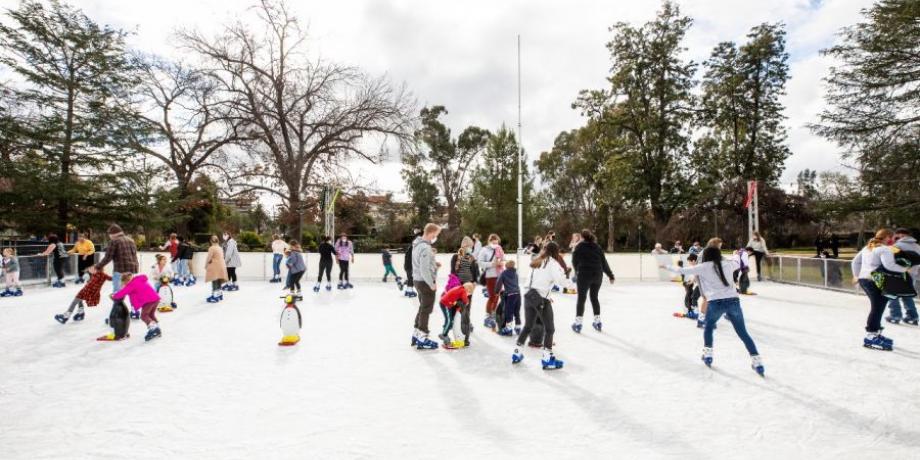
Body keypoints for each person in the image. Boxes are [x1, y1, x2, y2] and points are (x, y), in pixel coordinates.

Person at [663, 247, 765, 375]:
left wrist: (666, 265)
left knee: (709, 328)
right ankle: (758, 362)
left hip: (716, 303)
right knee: (743, 333)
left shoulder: (704, 266)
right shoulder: (727, 263)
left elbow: (682, 270)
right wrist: (740, 253)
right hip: (733, 302)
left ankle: (708, 355)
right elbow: (740, 260)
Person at [512, 242, 570, 370]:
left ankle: (517, 352)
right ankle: (547, 358)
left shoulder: (536, 260)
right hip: (540, 298)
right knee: (550, 329)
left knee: (528, 326)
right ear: (555, 252)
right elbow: (561, 280)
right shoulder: (553, 263)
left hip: (528, 295)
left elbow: (537, 280)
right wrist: (571, 284)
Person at [851, 229, 910, 350]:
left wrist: (857, 275)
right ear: (887, 237)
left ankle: (875, 332)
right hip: (875, 281)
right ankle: (871, 335)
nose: (893, 241)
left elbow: (855, 262)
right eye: (893, 238)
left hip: (865, 280)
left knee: (878, 307)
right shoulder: (884, 249)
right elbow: (890, 266)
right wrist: (905, 269)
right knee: (877, 307)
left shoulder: (868, 247)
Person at [571, 229, 615, 333]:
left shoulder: (579, 246)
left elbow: (574, 260)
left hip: (584, 275)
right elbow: (604, 263)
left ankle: (578, 324)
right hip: (597, 275)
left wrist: (577, 271)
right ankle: (598, 322)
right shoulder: (597, 247)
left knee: (581, 299)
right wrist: (610, 275)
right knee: (594, 297)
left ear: (582, 237)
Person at [410, 223, 442, 350]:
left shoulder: (417, 245)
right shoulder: (425, 248)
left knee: (423, 307)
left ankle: (417, 333)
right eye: (436, 234)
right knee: (426, 309)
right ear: (431, 233)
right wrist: (431, 283)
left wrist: (434, 265)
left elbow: (422, 264)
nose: (436, 237)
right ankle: (422, 336)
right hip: (424, 282)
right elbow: (423, 269)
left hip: (418, 281)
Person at [112, 272, 162, 342]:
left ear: (126, 280)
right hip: (155, 299)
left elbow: (123, 292)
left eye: (123, 283)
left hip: (148, 301)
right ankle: (157, 328)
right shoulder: (138, 280)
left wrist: (114, 296)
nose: (124, 284)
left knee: (144, 316)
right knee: (151, 315)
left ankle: (154, 329)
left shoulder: (131, 285)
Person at [90, 224, 139, 293]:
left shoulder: (114, 241)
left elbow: (107, 258)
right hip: (132, 270)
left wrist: (97, 267)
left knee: (117, 293)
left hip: (120, 270)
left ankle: (117, 302)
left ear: (113, 234)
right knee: (128, 292)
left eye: (109, 234)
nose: (109, 237)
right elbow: (132, 254)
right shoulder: (131, 240)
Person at [885, 229, 920, 325]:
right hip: (912, 274)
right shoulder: (917, 246)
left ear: (900, 235)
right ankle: (913, 316)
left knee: (892, 294)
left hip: (898, 273)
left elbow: (890, 260)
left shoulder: (897, 246)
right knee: (907, 295)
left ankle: (895, 315)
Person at [477, 234, 506, 329]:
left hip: (499, 275)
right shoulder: (484, 250)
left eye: (497, 243)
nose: (496, 244)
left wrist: (501, 263)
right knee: (492, 296)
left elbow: (504, 260)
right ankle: (488, 316)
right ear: (490, 242)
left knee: (497, 296)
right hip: (490, 276)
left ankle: (493, 314)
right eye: (494, 243)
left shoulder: (500, 249)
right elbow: (480, 262)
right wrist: (492, 264)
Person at [438, 282, 475, 349]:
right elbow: (466, 301)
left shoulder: (459, 288)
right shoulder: (463, 290)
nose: (468, 294)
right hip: (445, 303)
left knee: (449, 320)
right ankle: (444, 335)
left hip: (447, 303)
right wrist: (465, 301)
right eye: (469, 292)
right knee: (449, 320)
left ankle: (445, 333)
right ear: (468, 289)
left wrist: (456, 303)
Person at [495, 260, 521, 336]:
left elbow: (499, 284)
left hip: (510, 295)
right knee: (517, 311)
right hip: (518, 294)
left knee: (509, 311)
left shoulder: (504, 273)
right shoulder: (516, 273)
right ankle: (518, 327)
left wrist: (496, 292)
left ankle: (508, 329)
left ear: (506, 266)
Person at [205, 235, 228, 303]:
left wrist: (206, 265)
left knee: (214, 280)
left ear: (211, 241)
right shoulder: (219, 247)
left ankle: (215, 296)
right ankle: (219, 294)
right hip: (221, 265)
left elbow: (209, 258)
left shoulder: (212, 248)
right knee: (218, 280)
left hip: (215, 266)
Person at [679, 254, 701, 318]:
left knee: (694, 297)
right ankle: (695, 312)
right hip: (701, 284)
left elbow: (697, 276)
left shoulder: (697, 266)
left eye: (689, 262)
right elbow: (695, 276)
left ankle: (696, 313)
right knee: (693, 297)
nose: (689, 263)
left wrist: (691, 281)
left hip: (703, 285)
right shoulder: (697, 266)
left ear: (693, 261)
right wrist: (691, 281)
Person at [401, 228, 421, 297]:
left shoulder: (410, 249)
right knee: (411, 278)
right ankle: (409, 290)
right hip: (409, 265)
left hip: (408, 265)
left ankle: (407, 289)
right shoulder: (412, 249)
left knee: (410, 277)